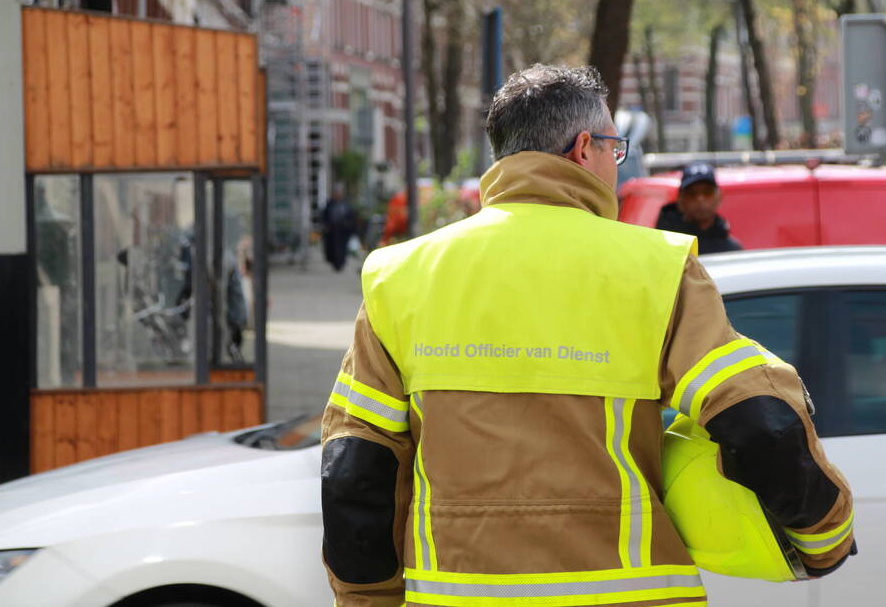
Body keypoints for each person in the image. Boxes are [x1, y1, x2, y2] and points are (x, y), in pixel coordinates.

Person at [320, 65, 854, 606]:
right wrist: (825, 535)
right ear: (583, 149)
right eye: (614, 150)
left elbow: (355, 467)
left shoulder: (400, 277)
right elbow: (756, 419)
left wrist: (369, 600)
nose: (615, 167)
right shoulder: (655, 269)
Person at [655, 163, 743, 254]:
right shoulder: (665, 246)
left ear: (719, 197)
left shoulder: (731, 249)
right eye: (692, 193)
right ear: (681, 199)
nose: (700, 199)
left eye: (707, 192)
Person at [320, 184, 358, 271]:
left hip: (343, 230)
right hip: (332, 230)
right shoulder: (329, 204)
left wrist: (350, 227)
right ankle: (335, 263)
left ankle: (341, 263)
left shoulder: (346, 204)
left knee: (342, 248)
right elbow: (325, 216)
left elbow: (351, 216)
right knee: (332, 248)